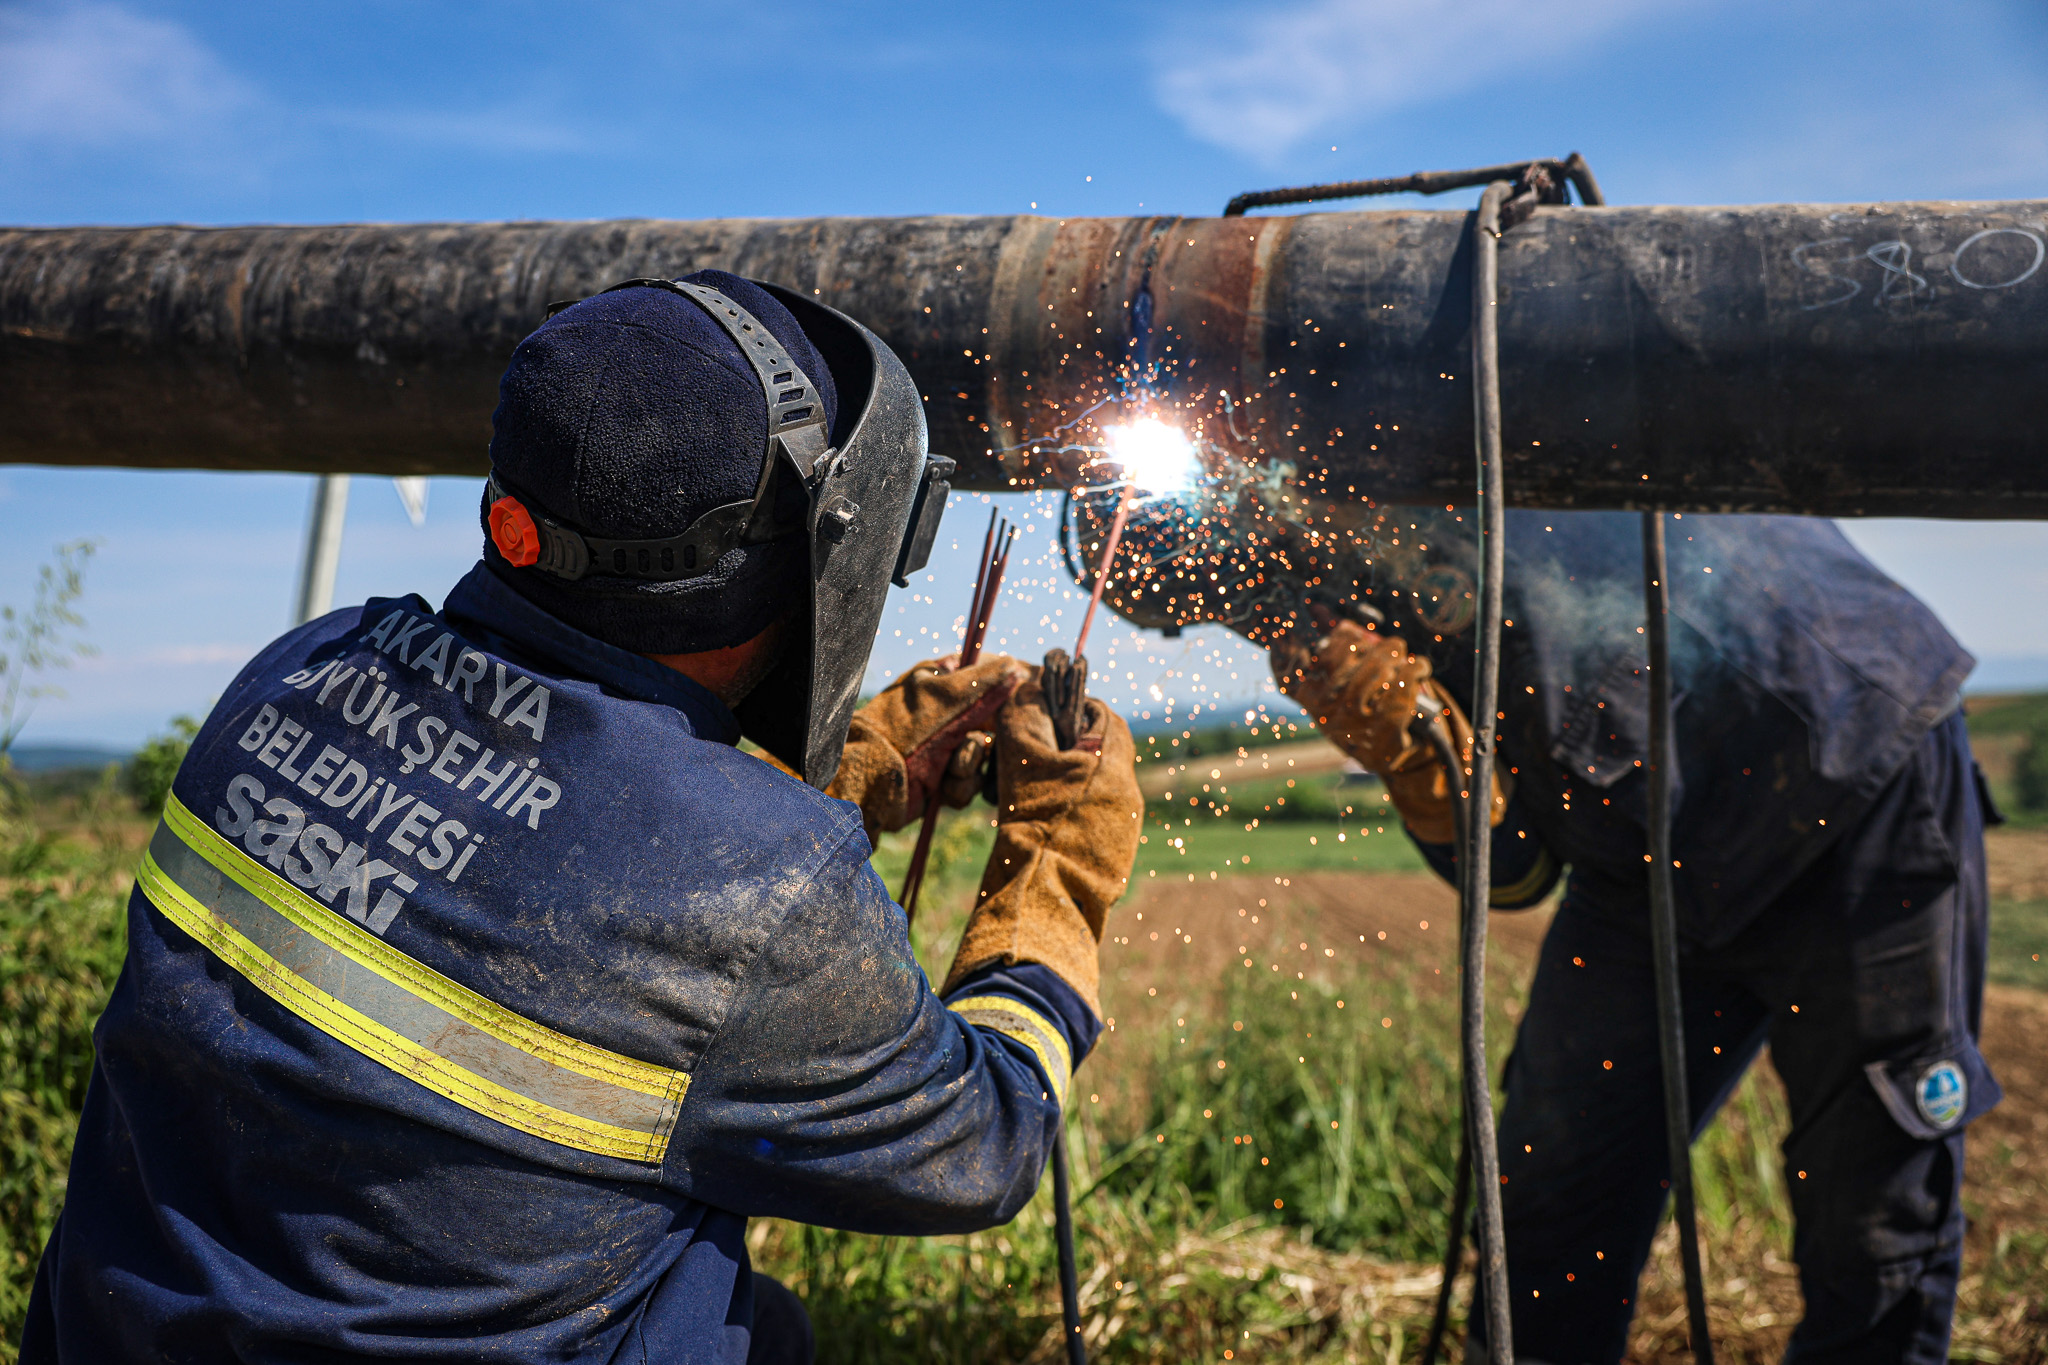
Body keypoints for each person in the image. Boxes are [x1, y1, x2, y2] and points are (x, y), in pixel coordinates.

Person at [22, 272, 1142, 1364]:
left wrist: (856, 770)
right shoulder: (765, 899)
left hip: (118, 1326)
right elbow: (982, 1141)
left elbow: (546, 872)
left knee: (772, 1330)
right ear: (802, 547)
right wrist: (1052, 860)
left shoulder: (295, 674)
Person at [1271, 508, 1998, 1365]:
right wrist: (1417, 756)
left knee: (1873, 1230)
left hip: (1841, 762)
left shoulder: (1425, 431)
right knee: (1549, 1198)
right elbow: (1516, 870)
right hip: (1636, 855)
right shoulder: (1326, 580)